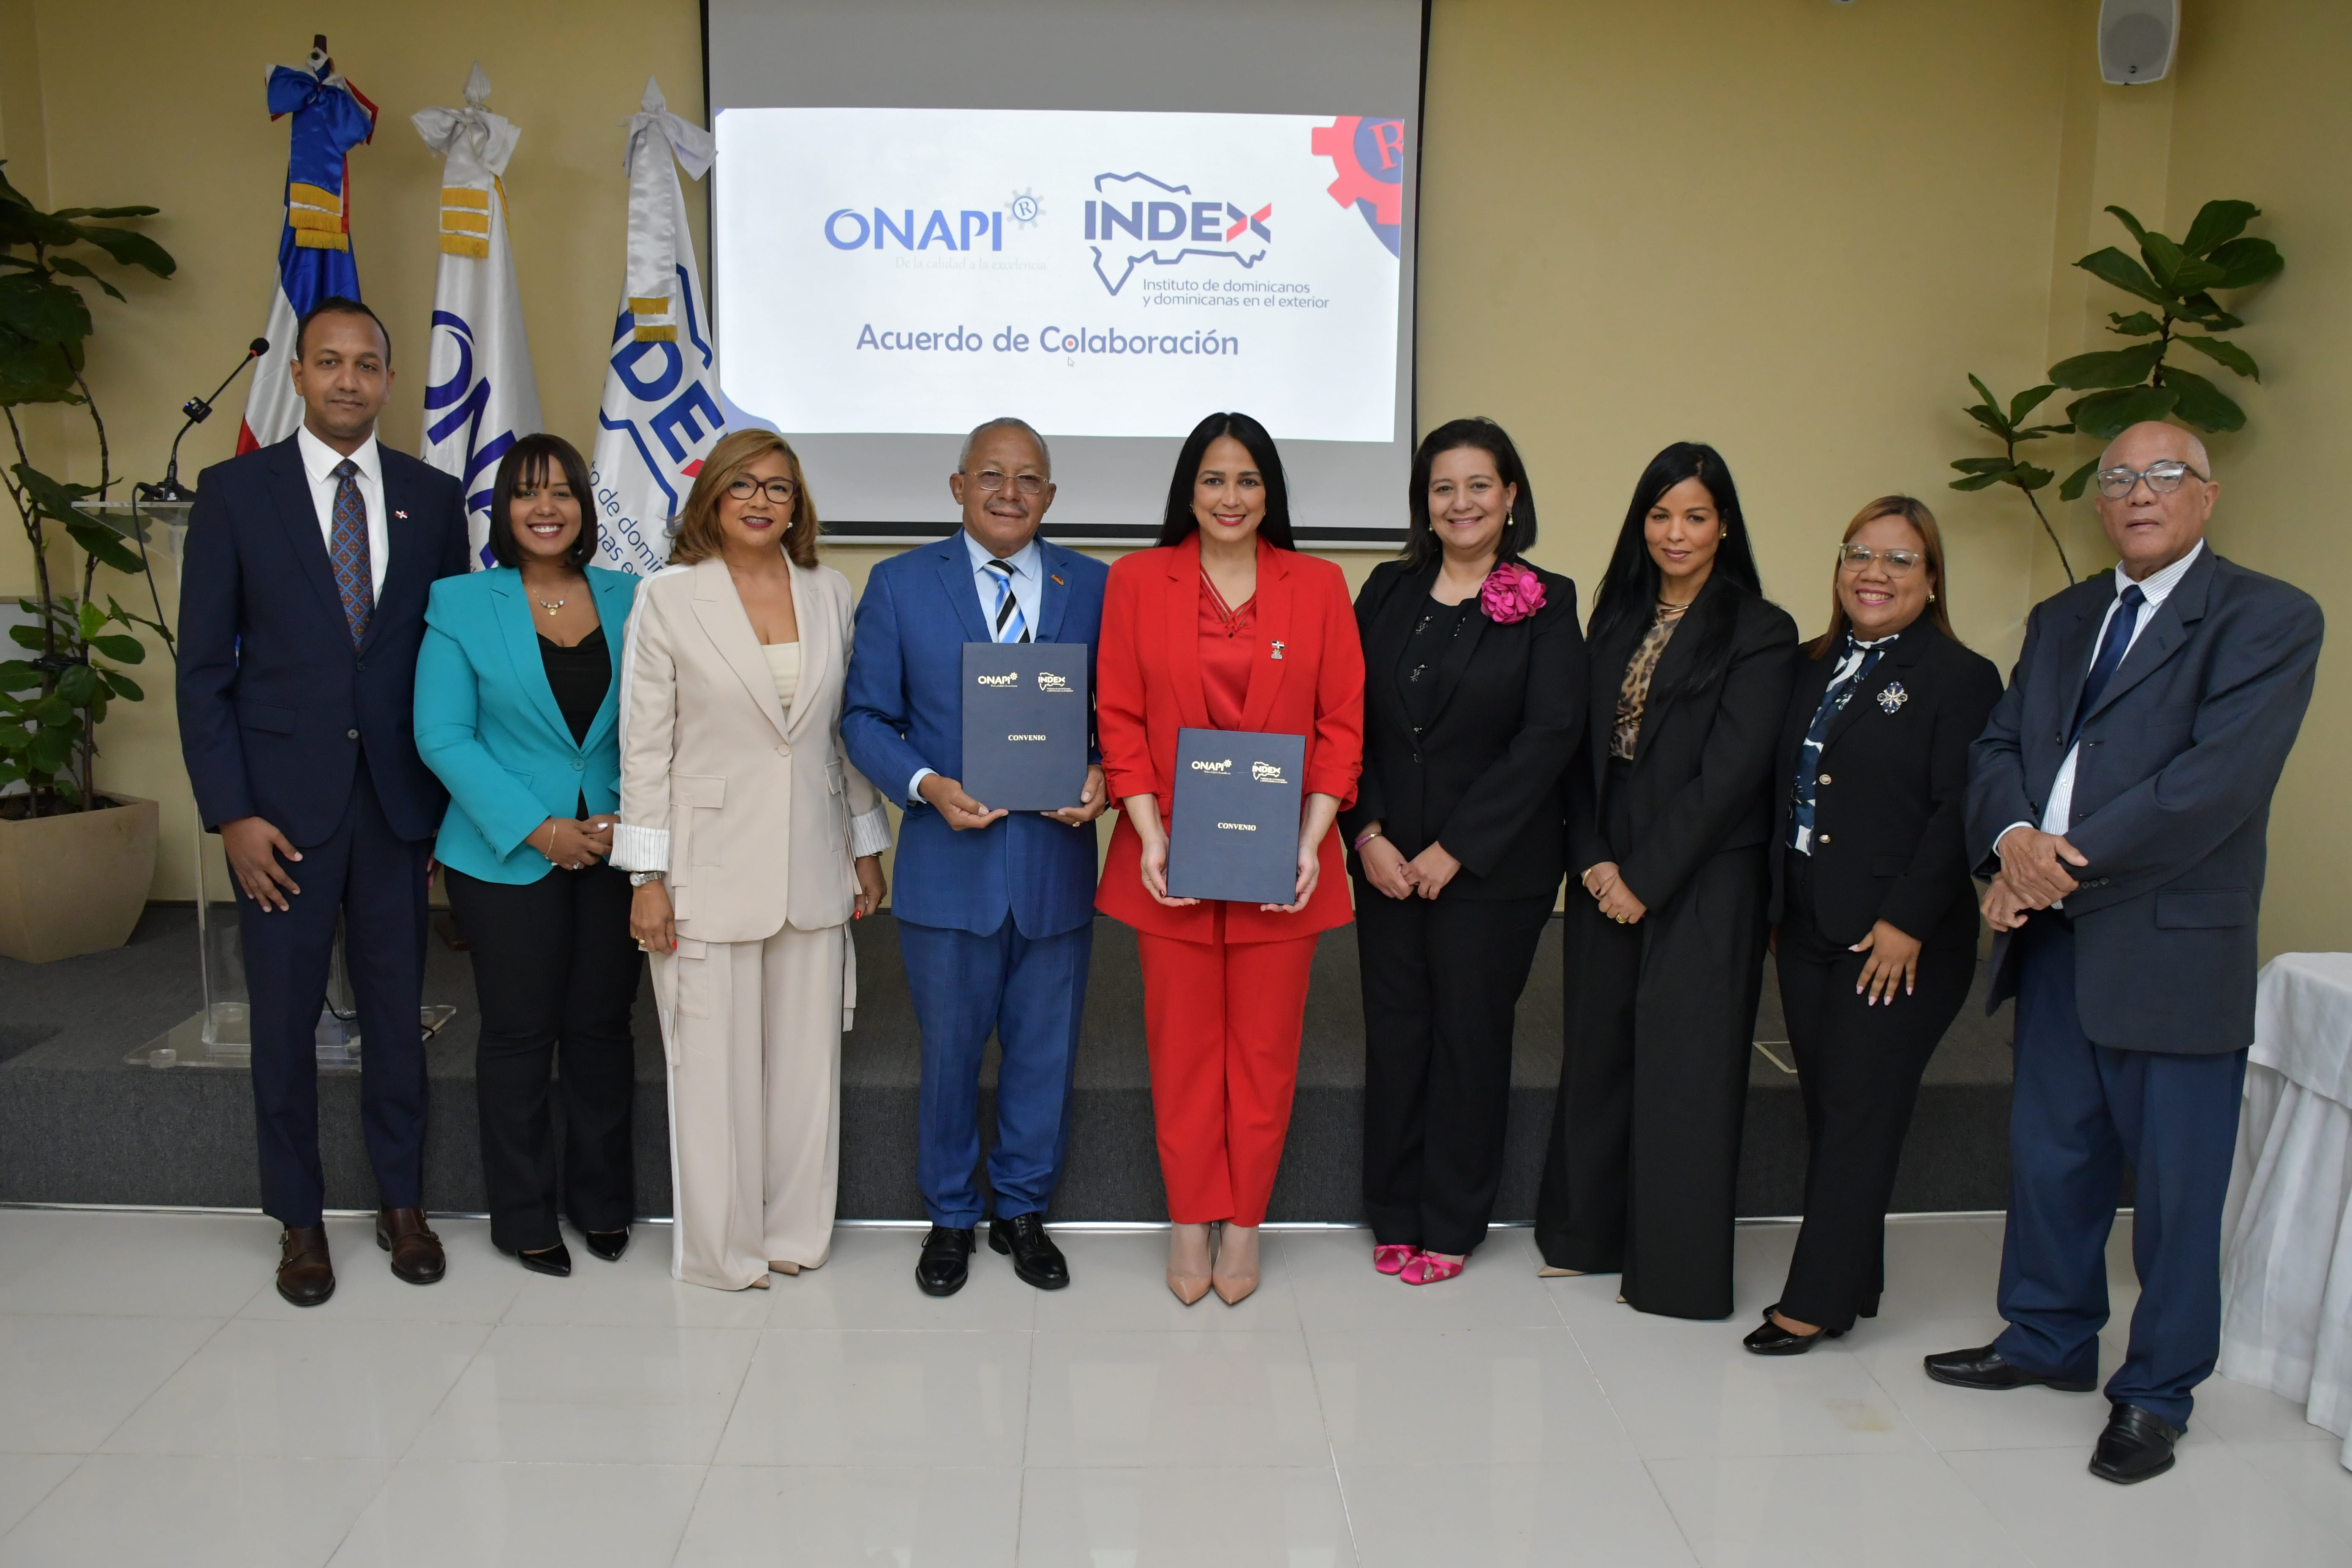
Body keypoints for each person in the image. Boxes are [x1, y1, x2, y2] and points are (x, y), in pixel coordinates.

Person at [1930, 421, 2322, 1484]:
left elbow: (2213, 785)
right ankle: (2047, 1336)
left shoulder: (2268, 617)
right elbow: (1999, 744)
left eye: (2164, 474)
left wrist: (2053, 867)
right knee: (2051, 1156)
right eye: (2117, 478)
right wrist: (2014, 839)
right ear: (2099, 503)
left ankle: (2156, 1391)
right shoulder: (2064, 617)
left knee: (2179, 1188)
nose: (2139, 492)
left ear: (2207, 495)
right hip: (2057, 941)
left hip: (2172, 947)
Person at [177, 296, 470, 1307]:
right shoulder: (235, 492)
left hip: (396, 807)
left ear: (388, 379)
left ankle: (403, 1204)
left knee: (396, 1014)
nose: (349, 379)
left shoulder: (433, 498)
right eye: (329, 361)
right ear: (298, 374)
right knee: (284, 1020)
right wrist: (231, 813)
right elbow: (203, 671)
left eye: (367, 364)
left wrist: (447, 803)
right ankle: (298, 1220)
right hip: (278, 817)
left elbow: (449, 660)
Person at [611, 430, 891, 1291]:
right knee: (712, 1073)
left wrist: (867, 844)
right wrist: (646, 877)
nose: (762, 501)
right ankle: (721, 1251)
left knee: (807, 1069)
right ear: (713, 498)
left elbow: (840, 735)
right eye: (743, 485)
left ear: (798, 504)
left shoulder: (829, 592)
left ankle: (794, 1232)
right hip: (707, 868)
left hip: (813, 859)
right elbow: (644, 748)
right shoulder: (668, 597)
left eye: (779, 487)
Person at [1096, 411, 1365, 1306]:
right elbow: (1119, 715)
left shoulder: (1319, 585)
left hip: (1282, 861)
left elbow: (1340, 725)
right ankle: (1189, 1216)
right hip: (1167, 852)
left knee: (1263, 1053)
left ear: (1269, 493)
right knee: (1181, 1051)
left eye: (1248, 479)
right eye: (1214, 478)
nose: (1230, 496)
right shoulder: (1138, 581)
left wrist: (1310, 841)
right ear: (1189, 489)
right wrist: (1149, 831)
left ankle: (1243, 1221)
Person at [841, 417, 1111, 1298]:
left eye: (1028, 478)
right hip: (947, 867)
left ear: (1051, 496)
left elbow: (1122, 713)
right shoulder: (898, 584)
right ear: (958, 487)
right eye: (990, 474)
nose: (1009, 492)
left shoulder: (1095, 585)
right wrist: (925, 784)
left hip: (1054, 864)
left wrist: (1106, 773)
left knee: (1044, 1054)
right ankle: (951, 1214)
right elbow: (865, 718)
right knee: (950, 1057)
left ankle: (1023, 1210)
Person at [1533, 441, 1797, 1319]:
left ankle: (1674, 1274)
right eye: (1659, 514)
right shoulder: (1614, 616)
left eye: (1694, 515)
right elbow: (1577, 749)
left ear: (1724, 526)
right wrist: (1594, 858)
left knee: (1687, 1067)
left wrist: (1645, 877)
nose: (1675, 532)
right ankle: (1586, 1239)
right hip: (1605, 858)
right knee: (1599, 1051)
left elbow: (1731, 775)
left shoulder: (1760, 630)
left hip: (1704, 873)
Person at [1745, 497, 2002, 1353]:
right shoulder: (1808, 664)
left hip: (1898, 941)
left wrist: (1904, 921)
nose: (1874, 573)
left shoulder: (1960, 676)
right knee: (1832, 1102)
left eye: (1899, 559)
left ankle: (1812, 1301)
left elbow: (1957, 811)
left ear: (1931, 579)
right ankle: (1856, 1277)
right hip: (1807, 923)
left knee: (1860, 1108)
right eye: (1859, 553)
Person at [1341, 418, 1584, 1286]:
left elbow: (1549, 736)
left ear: (1511, 496)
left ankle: (1450, 1219)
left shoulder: (1547, 599)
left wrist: (1455, 848)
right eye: (1443, 487)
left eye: (1479, 485)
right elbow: (1347, 716)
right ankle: (1394, 1209)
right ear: (1424, 502)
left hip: (1490, 870)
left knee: (1469, 1039)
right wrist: (1367, 832)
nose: (1461, 502)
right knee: (1397, 1034)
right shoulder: (1387, 587)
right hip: (1385, 864)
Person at [414, 434, 642, 1277]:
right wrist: (540, 827)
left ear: (585, 506)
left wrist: (630, 814)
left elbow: (664, 719)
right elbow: (443, 734)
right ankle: (523, 1214)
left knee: (602, 1029)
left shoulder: (634, 597)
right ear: (503, 509)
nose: (546, 508)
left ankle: (602, 1202)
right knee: (518, 1032)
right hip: (503, 853)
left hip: (616, 848)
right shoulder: (460, 602)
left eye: (562, 492)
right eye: (526, 492)